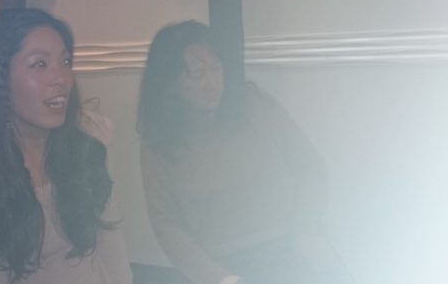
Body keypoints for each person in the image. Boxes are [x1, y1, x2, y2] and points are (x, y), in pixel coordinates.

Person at [137, 21, 353, 284]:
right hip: (225, 265)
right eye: (197, 75)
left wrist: (309, 229)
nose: (212, 83)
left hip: (293, 244)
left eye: (216, 69)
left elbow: (310, 166)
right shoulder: (160, 141)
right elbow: (167, 224)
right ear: (170, 83)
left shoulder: (255, 104)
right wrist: (218, 277)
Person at [0, 9, 133, 284]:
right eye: (40, 64)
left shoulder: (88, 143)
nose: (62, 78)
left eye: (65, 61)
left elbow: (113, 249)